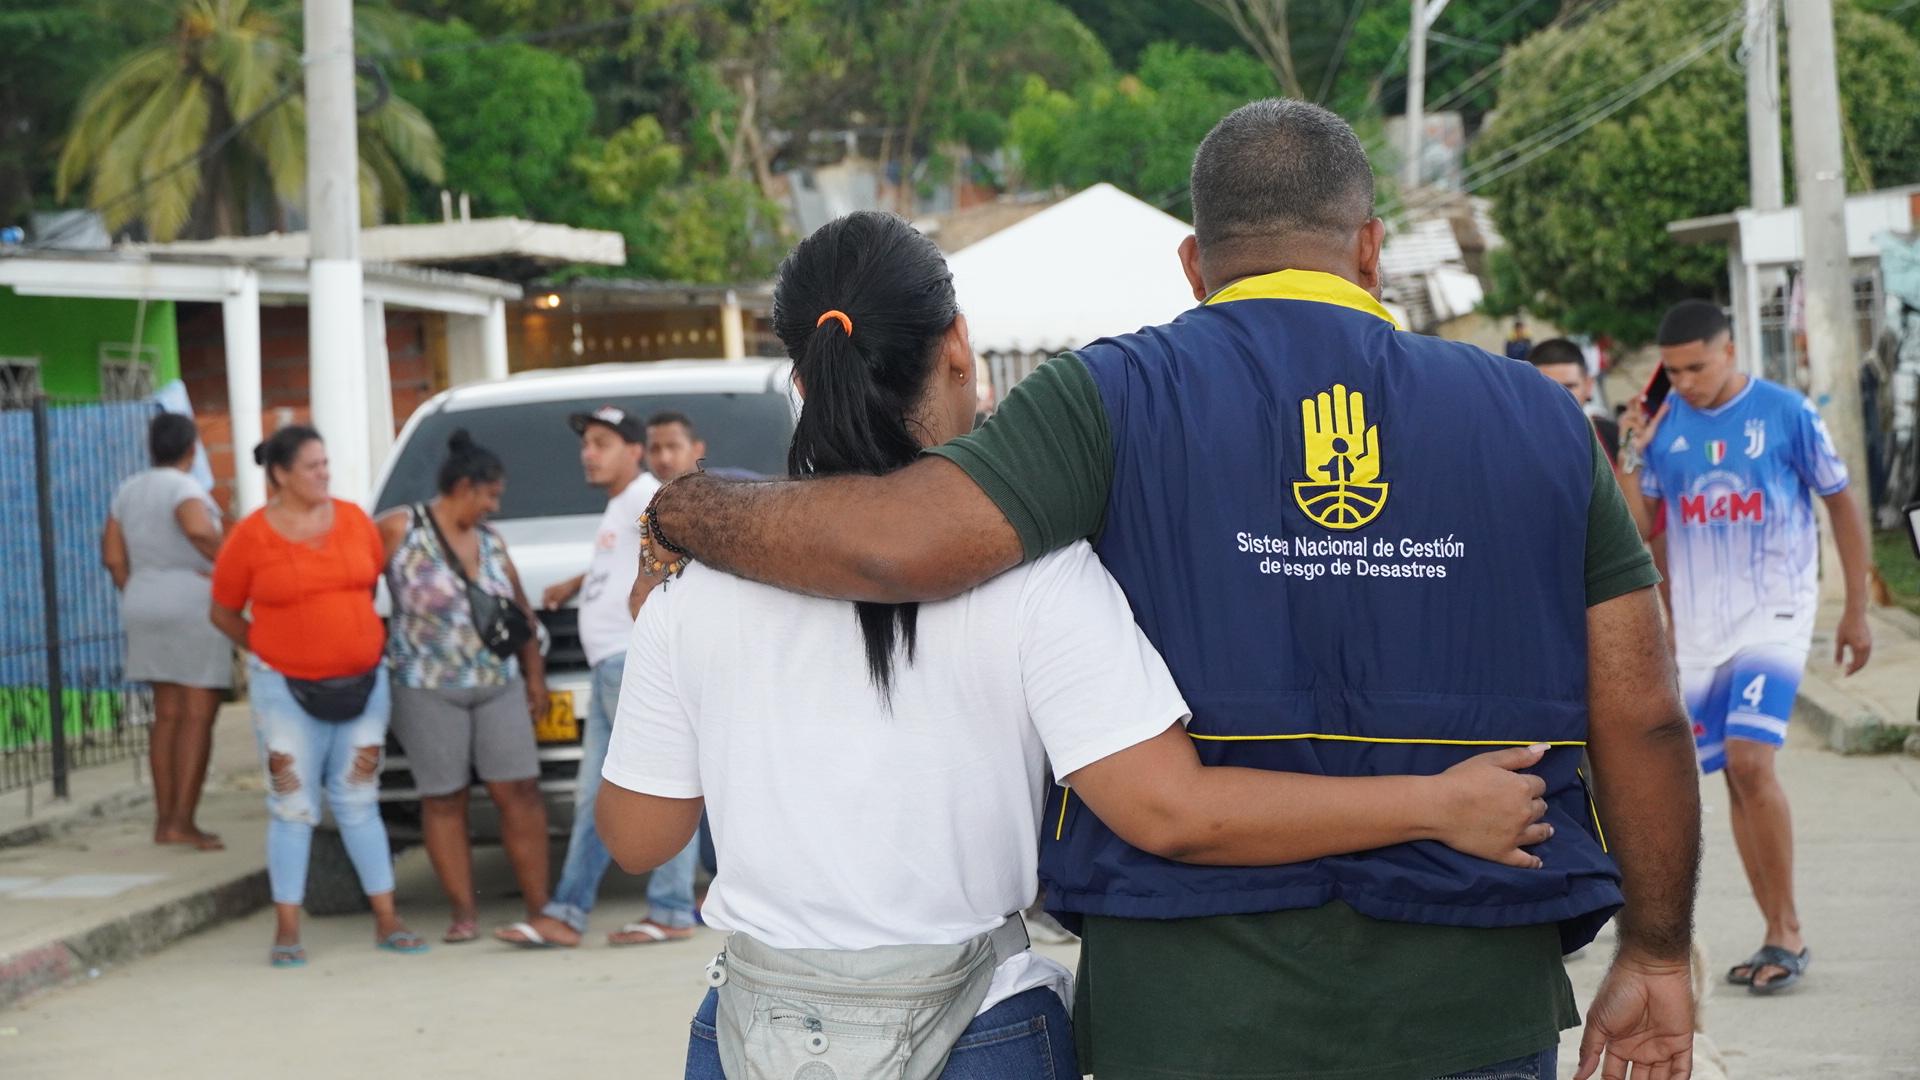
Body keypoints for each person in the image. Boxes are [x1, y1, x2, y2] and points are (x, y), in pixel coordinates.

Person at [647, 100, 1701, 1080]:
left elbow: (898, 544)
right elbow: (1643, 715)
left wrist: (683, 511)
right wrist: (1657, 951)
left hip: (1191, 1015)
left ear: (1195, 262)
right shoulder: (1542, 421)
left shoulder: (1109, 398)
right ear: (1371, 248)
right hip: (1469, 1004)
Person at [1619, 298, 1874, 996]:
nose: (1686, 381)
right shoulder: (1663, 429)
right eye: (1673, 371)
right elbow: (1640, 523)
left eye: (1696, 366)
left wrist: (1855, 609)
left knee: (1752, 761)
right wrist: (1633, 446)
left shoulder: (1786, 412)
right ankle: (1772, 931)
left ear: (1730, 351)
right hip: (1701, 630)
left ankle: (1788, 930)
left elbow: (1842, 503)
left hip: (1776, 613)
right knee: (1734, 775)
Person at [209, 426, 426, 965]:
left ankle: (387, 919)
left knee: (357, 800)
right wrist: (269, 649)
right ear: (280, 475)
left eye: (326, 463)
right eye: (312, 466)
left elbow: (373, 582)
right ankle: (287, 930)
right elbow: (223, 612)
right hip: (283, 691)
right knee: (292, 805)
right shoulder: (250, 536)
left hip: (363, 686)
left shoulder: (354, 520)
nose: (324, 473)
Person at [496, 405, 677, 947]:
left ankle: (666, 909)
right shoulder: (623, 506)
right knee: (598, 796)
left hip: (630, 664)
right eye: (586, 443)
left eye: (601, 443)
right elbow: (628, 557)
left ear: (634, 451)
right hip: (609, 668)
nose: (587, 454)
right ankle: (567, 914)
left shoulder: (646, 494)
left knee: (657, 787)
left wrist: (647, 600)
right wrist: (580, 580)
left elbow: (678, 550)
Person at [378, 430, 552, 945]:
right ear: (463, 486)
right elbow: (353, 584)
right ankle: (463, 911)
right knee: (443, 797)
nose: (494, 506)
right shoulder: (399, 529)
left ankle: (540, 907)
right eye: (490, 495)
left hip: (496, 683)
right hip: (426, 687)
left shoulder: (492, 540)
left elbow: (519, 611)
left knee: (519, 790)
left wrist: (534, 676)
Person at [103, 413, 231, 851]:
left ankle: (164, 821)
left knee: (167, 714)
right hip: (191, 603)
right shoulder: (185, 488)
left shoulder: (128, 490)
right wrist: (228, 564)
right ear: (193, 449)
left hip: (143, 600)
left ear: (151, 446)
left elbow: (113, 557)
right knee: (198, 713)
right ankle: (184, 822)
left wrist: (139, 588)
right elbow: (197, 527)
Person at [1529, 337, 1621, 467]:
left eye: (1569, 387)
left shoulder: (1615, 437)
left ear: (1588, 386)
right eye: (1548, 388)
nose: (1559, 397)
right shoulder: (1512, 445)